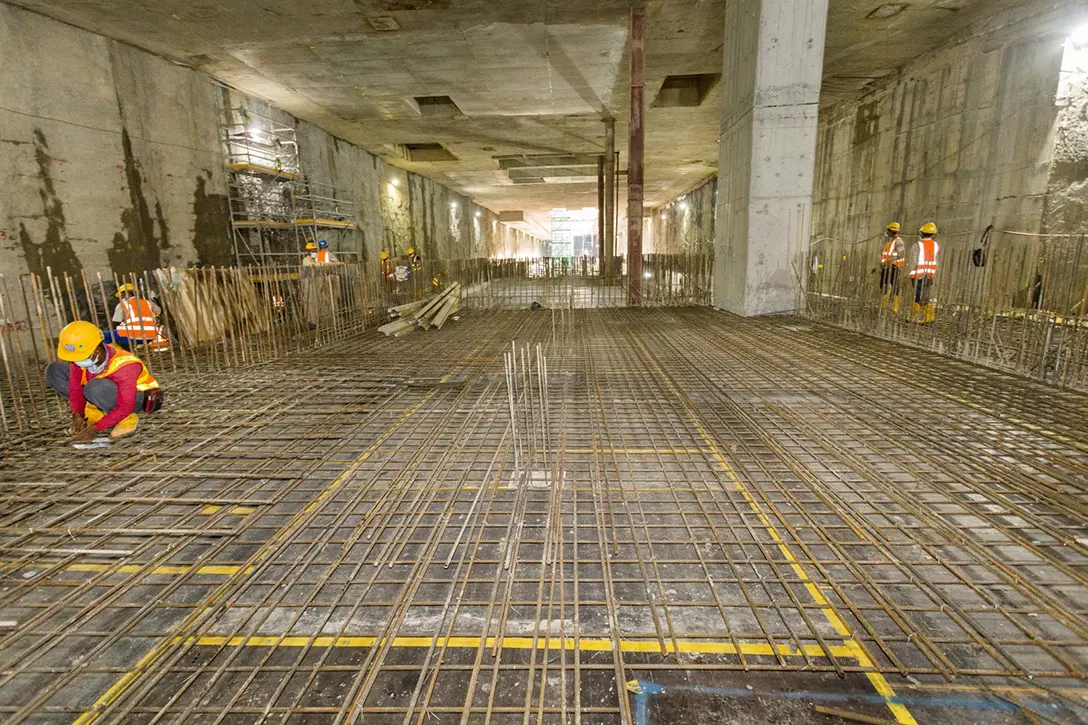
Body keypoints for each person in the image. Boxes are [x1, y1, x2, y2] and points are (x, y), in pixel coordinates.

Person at [46, 321, 163, 442]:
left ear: (97, 351)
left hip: (136, 399)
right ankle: (96, 412)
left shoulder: (126, 365)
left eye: (78, 358)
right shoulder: (82, 357)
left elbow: (125, 406)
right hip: (100, 392)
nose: (75, 362)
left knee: (95, 387)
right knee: (54, 370)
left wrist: (93, 430)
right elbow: (75, 389)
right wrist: (78, 415)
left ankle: (126, 419)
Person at [104, 283, 169, 351]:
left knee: (104, 336)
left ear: (123, 294)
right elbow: (159, 311)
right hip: (150, 336)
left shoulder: (122, 305)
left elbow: (116, 322)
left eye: (121, 295)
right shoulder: (148, 303)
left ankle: (117, 353)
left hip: (133, 336)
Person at [909, 222, 940, 324]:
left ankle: (919, 316)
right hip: (930, 275)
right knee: (924, 295)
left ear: (922, 233)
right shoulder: (935, 245)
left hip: (919, 274)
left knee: (920, 296)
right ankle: (927, 316)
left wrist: (910, 274)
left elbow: (913, 261)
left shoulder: (917, 245)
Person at [879, 222, 905, 311]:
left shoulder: (898, 241)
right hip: (885, 267)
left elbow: (901, 253)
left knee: (895, 286)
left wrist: (891, 259)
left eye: (888, 230)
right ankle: (884, 304)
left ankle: (895, 307)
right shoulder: (889, 242)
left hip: (895, 267)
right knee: (884, 285)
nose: (886, 231)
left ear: (891, 231)